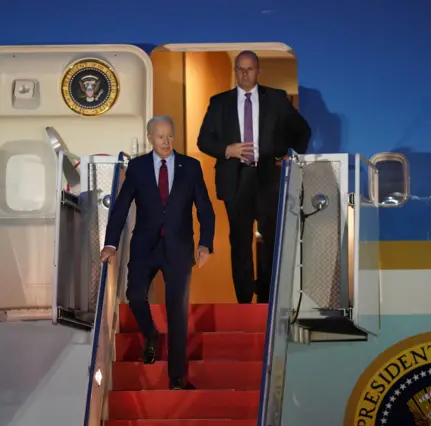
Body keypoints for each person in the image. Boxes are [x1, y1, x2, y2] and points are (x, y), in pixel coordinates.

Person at [100, 115, 215, 390]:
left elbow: (205, 208)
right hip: (145, 246)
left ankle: (177, 378)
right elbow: (121, 207)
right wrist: (111, 243)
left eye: (170, 136)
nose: (166, 142)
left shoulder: (191, 166)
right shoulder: (137, 167)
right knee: (135, 295)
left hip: (178, 248)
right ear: (150, 137)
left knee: (177, 313)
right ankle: (151, 333)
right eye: (160, 137)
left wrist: (205, 243)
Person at [197, 50, 311, 304]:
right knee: (239, 240)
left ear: (258, 71)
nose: (245, 73)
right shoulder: (219, 102)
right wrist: (228, 150)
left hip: (268, 177)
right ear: (235, 71)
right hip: (235, 179)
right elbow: (203, 140)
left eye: (249, 69)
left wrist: (291, 155)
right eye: (240, 69)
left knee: (271, 237)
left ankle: (267, 297)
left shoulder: (276, 99)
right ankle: (244, 299)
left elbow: (302, 130)